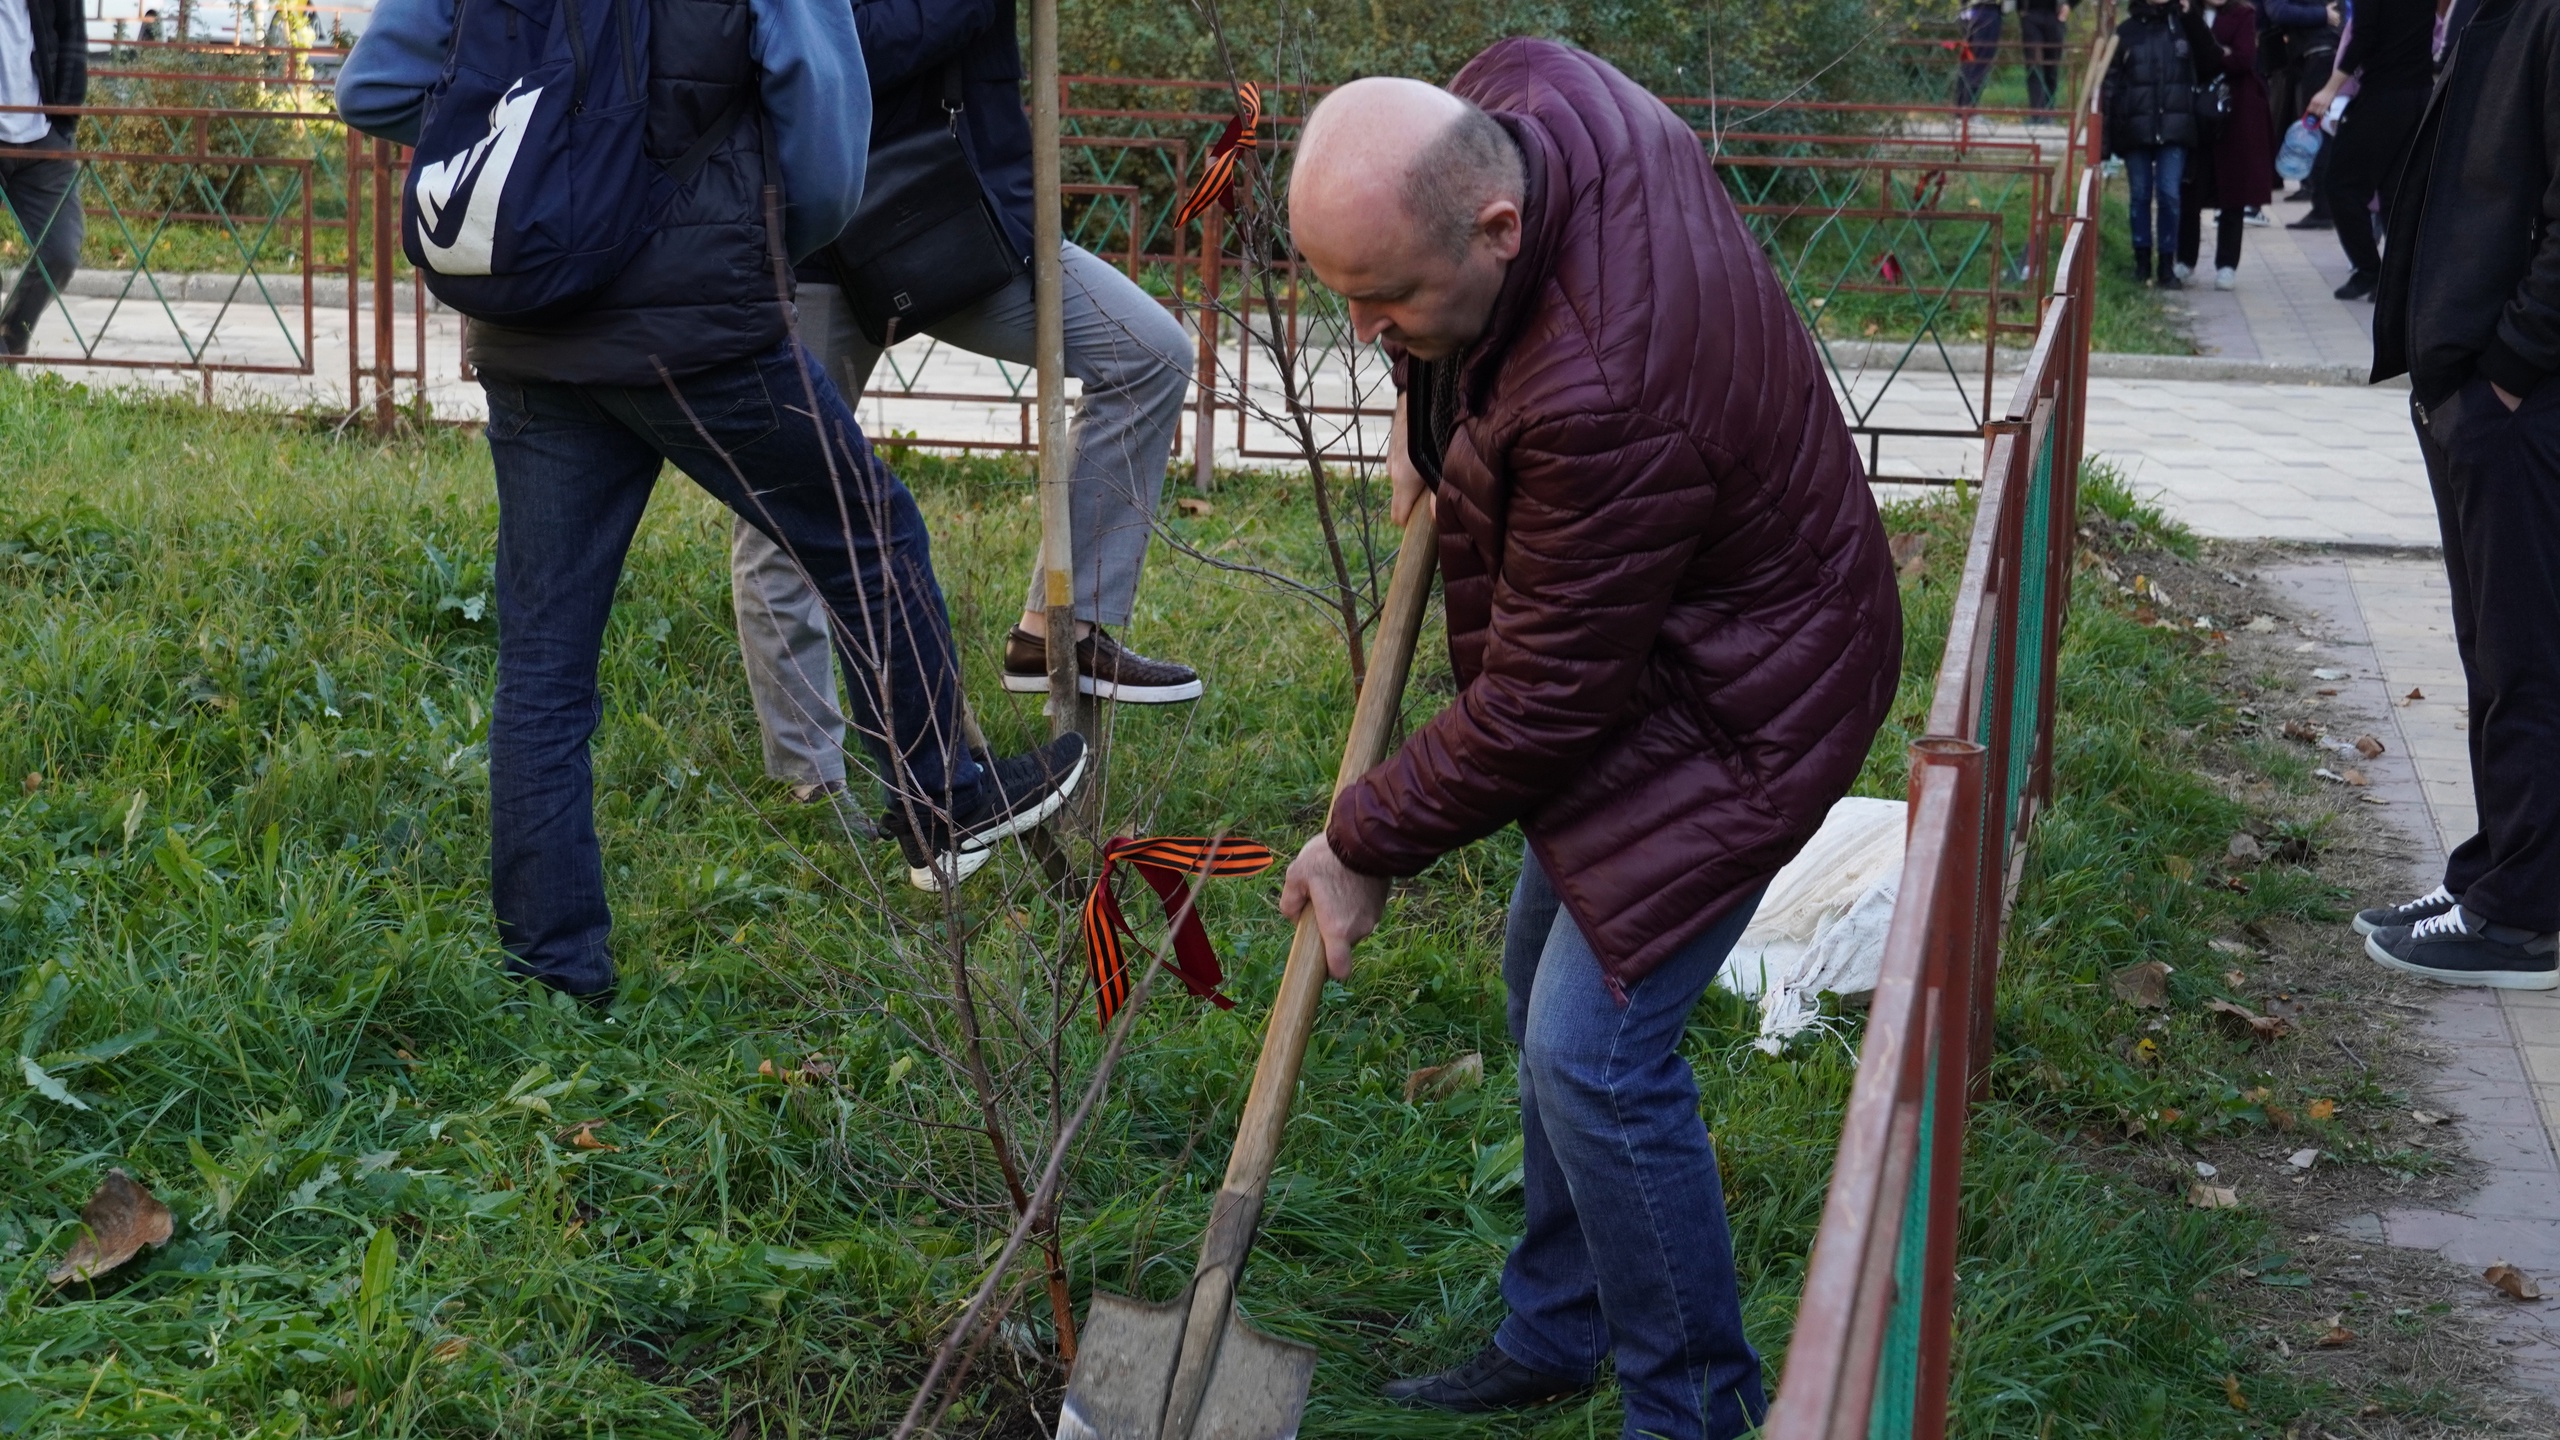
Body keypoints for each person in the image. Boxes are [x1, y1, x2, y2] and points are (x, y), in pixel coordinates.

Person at [1279, 44, 1901, 1440]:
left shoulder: (1605, 386)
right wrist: (1417, 394)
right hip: (1674, 624)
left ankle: (1694, 1408)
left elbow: (1548, 702)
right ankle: (1559, 1327)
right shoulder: (1528, 90)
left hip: (1746, 692)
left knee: (1595, 1057)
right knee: (1535, 980)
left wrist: (1363, 837)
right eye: (1348, 299)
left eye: (1388, 304)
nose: (1369, 327)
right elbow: (1453, 250)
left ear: (1497, 228)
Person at [336, 0, 1087, 1002]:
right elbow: (824, 135)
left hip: (530, 329)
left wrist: (544, 152)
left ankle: (553, 974)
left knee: (544, 662)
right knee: (865, 536)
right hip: (698, 328)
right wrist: (747, 228)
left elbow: (372, 90)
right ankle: (940, 800)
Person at [731, 0, 1200, 815]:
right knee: (790, 509)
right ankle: (810, 781)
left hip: (959, 221)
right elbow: (840, 44)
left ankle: (1066, 631)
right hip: (818, 237)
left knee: (1148, 353)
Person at [2362, 0, 2560, 992]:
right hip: (2475, 388)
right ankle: (2495, 875)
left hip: (2518, 399)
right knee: (2493, 646)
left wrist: (2510, 370)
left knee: (2526, 652)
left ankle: (2521, 917)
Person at [2308, 0, 2430, 299]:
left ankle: (2369, 270)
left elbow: (2363, 35)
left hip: (2383, 95)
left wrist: (2329, 89)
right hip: (2419, 96)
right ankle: (2397, 278)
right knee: (2395, 191)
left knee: (2341, 184)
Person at [2101, 0, 2219, 288]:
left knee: (2169, 194)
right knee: (2140, 195)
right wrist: (2106, 140)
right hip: (2136, 127)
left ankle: (2167, 264)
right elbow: (2109, 87)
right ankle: (2141, 263)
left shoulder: (2183, 26)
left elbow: (2211, 62)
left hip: (2175, 126)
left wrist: (2190, 17)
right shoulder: (2126, 32)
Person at [0, 0, 84, 358]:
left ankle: (6, 345)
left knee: (60, 253)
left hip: (42, 136)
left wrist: (62, 117)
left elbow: (72, 37)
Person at [2176, 0, 2275, 288]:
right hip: (2195, 108)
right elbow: (2186, 57)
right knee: (2191, 187)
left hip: (2236, 111)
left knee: (2233, 190)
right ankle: (2185, 259)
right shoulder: (2187, 12)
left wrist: (2211, 54)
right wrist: (2220, 52)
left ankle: (2227, 264)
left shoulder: (2243, 14)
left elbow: (2244, 58)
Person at [2023, 0, 2072, 113]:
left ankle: (2049, 110)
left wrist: (2069, 4)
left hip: (2055, 14)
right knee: (2034, 65)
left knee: (2052, 66)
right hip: (2030, 13)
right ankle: (2037, 113)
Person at [1955, 0, 2004, 108]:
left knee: (1968, 61)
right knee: (1980, 62)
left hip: (1969, 11)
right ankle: (1968, 108)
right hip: (1988, 11)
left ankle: (1960, 108)